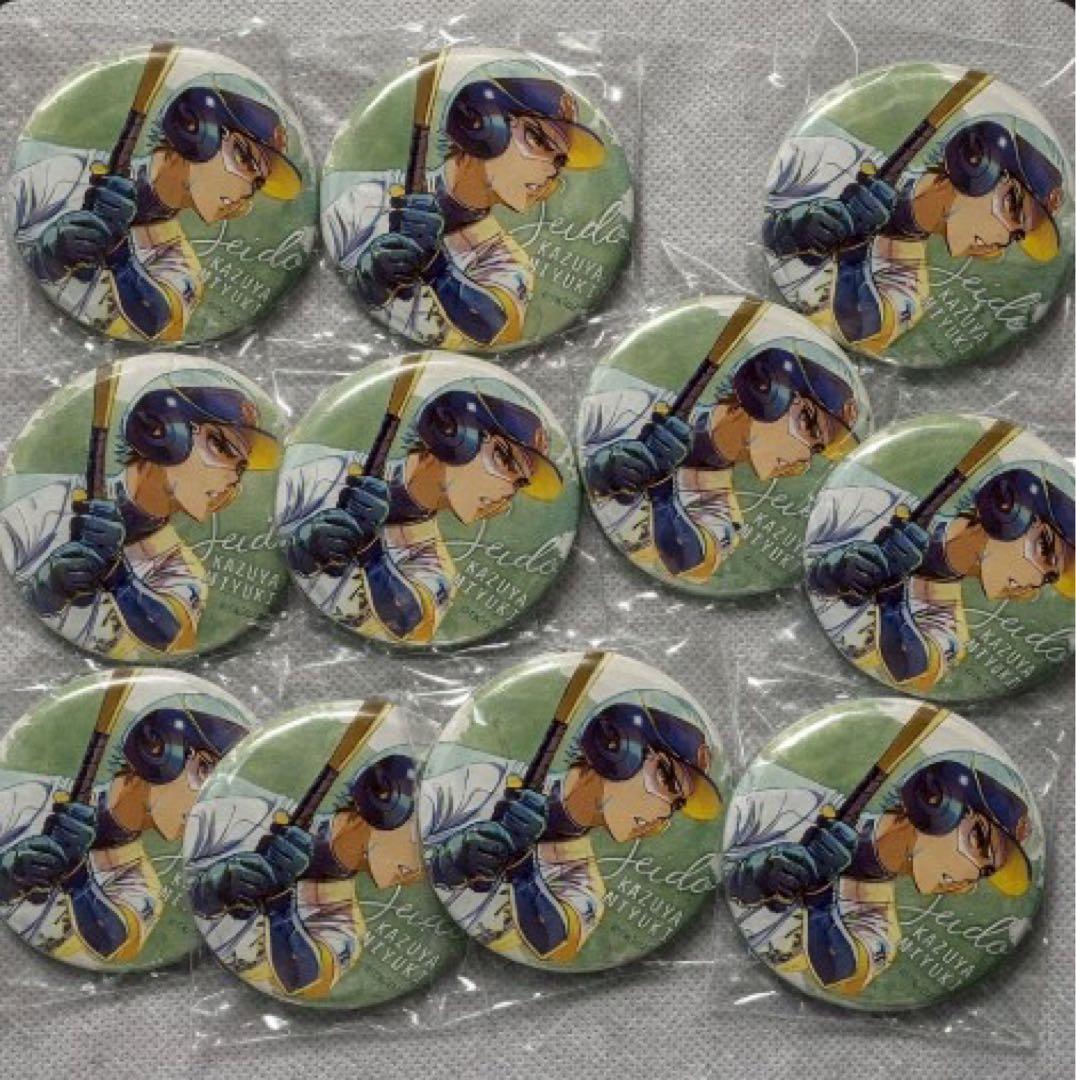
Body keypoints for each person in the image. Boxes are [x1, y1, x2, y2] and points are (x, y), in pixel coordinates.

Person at [421, 693, 722, 964]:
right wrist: (448, 862)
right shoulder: (482, 780)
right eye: (667, 779)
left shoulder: (583, 877)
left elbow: (553, 943)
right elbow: (409, 835)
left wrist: (523, 869)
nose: (665, 814)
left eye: (676, 804)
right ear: (617, 749)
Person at [0, 369, 281, 658]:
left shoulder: (183, 569)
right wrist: (45, 591)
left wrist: (117, 574)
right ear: (162, 433)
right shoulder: (44, 501)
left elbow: (172, 640)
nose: (233, 479)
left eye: (240, 467)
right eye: (220, 446)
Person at [322, 70, 606, 349]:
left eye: (559, 160)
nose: (552, 171)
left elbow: (498, 331)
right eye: (539, 140)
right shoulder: (362, 196)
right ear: (482, 126)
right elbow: (325, 300)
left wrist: (437, 267)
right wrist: (367, 282)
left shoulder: (507, 259)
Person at [9, 77, 303, 341]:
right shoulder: (60, 171)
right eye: (245, 159)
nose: (248, 192)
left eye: (258, 182)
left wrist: (120, 256)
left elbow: (157, 324)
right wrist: (47, 255)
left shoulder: (181, 262)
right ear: (196, 132)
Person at [723, 751, 1034, 996]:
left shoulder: (880, 921)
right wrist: (750, 876)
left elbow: (840, 977)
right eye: (979, 841)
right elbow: (715, 844)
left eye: (985, 872)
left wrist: (820, 900)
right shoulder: (799, 807)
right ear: (934, 803)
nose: (969, 882)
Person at [278, 378, 563, 643]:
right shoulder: (320, 470)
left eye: (519, 482)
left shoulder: (436, 564)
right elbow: (267, 534)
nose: (508, 493)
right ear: (453, 433)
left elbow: (409, 624)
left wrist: (372, 554)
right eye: (504, 459)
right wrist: (299, 549)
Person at [763, 113, 1066, 352]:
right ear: (974, 164)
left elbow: (859, 331)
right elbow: (756, 201)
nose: (1001, 240)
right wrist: (790, 229)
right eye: (1012, 206)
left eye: (1017, 236)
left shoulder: (912, 287)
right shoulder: (837, 157)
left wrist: (855, 252)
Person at [579, 343, 860, 581]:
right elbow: (570, 466)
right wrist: (600, 471)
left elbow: (688, 564)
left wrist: (662, 492)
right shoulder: (630, 405)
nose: (804, 461)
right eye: (809, 426)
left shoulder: (719, 506)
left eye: (817, 450)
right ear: (766, 394)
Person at [0, 700, 247, 967]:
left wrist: (78, 878)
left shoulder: (141, 882)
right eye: (205, 772)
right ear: (159, 754)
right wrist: (7, 875)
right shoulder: (28, 799)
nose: (209, 803)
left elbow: (111, 943)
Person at [805, 458, 1074, 691]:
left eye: (1049, 578)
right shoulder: (876, 505)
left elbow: (909, 670)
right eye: (1044, 549)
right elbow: (802, 535)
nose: (1035, 583)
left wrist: (891, 595)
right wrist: (825, 573)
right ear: (1006, 510)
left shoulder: (949, 622)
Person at [185, 750, 422, 999]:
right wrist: (211, 890)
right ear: (383, 801)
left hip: (228, 996)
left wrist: (280, 905)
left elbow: (303, 982)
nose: (420, 869)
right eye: (420, 836)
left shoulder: (344, 922)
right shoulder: (245, 811)